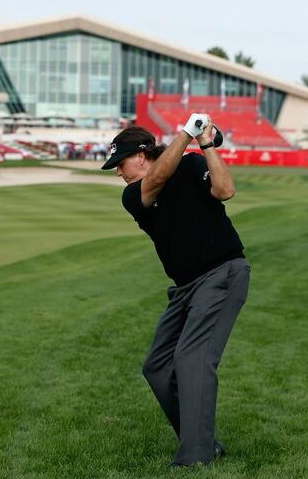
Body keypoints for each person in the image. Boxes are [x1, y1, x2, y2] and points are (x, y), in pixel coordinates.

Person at [101, 114, 250, 467]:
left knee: (192, 359)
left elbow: (225, 190)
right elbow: (159, 177)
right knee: (157, 367)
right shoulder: (134, 195)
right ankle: (203, 441)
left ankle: (195, 458)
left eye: (120, 164)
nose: (119, 173)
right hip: (185, 288)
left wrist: (207, 144)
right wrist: (187, 132)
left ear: (141, 154)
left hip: (222, 273)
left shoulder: (192, 164)